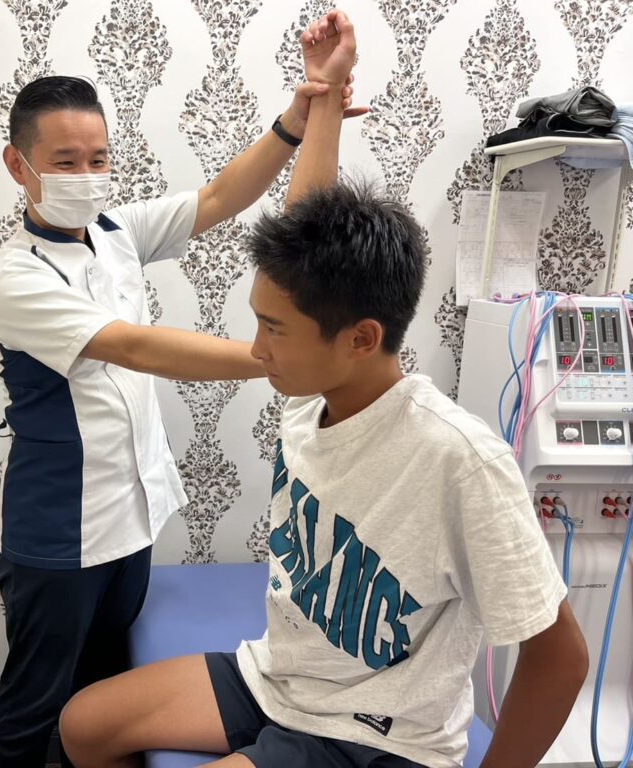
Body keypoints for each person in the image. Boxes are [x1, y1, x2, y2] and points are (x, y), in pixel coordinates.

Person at [59, 11, 588, 768]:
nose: (257, 349)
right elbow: (306, 224)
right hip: (280, 678)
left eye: (274, 330)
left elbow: (560, 656)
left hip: (372, 732)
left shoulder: (458, 461)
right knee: (83, 724)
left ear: (360, 339)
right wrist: (324, 95)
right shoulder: (319, 392)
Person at [0, 10, 364, 767]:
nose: (86, 175)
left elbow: (219, 198)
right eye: (65, 161)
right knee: (32, 706)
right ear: (18, 165)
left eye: (98, 158)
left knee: (100, 694)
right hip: (57, 531)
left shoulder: (116, 233)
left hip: (130, 517)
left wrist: (293, 124)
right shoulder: (16, 275)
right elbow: (136, 347)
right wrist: (282, 358)